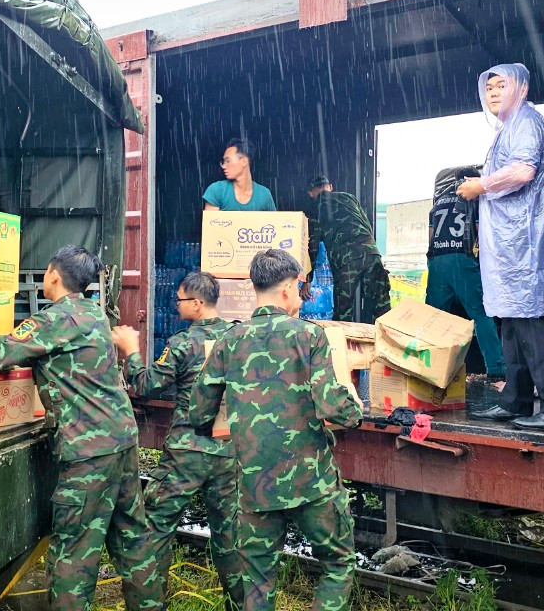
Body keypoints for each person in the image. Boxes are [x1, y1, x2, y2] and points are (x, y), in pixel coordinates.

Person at [0, 244, 161, 611]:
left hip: (88, 451)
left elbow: (2, 351)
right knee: (132, 539)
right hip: (122, 441)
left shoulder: (54, 319)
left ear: (52, 275)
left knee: (74, 552)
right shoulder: (94, 315)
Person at [189, 249, 362, 611]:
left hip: (254, 485)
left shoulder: (229, 341)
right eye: (299, 288)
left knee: (257, 581)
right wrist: (356, 410)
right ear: (287, 289)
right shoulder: (310, 337)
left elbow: (199, 411)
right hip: (311, 482)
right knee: (337, 564)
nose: (301, 295)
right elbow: (334, 407)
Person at [110, 272, 243, 608]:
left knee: (154, 528)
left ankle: (149, 605)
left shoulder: (183, 343)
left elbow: (144, 386)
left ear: (197, 304)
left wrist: (130, 351)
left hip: (186, 454)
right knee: (230, 536)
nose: (177, 304)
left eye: (181, 299)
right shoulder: (239, 338)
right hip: (229, 452)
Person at [459, 63, 544, 431]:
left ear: (520, 88)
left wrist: (481, 186)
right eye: (488, 87)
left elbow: (523, 171)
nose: (492, 93)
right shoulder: (509, 127)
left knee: (535, 325)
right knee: (511, 324)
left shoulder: (527, 123)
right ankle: (517, 401)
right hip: (515, 249)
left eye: (500, 85)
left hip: (530, 246)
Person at [425, 165, 506, 378]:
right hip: (461, 259)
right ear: (471, 180)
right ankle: (496, 370)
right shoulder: (473, 198)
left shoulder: (439, 201)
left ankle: (428, 367)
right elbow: (481, 231)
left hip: (437, 260)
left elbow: (431, 236)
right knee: (480, 314)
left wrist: (433, 261)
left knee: (432, 317)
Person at [303, 174, 392, 323]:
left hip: (347, 259)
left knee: (343, 312)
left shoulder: (317, 207)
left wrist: (307, 279)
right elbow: (366, 224)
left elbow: (313, 246)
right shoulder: (349, 197)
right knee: (381, 307)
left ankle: (342, 344)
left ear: (311, 193)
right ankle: (387, 342)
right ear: (330, 187)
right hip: (371, 252)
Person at [203, 139, 277, 212]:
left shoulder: (264, 194)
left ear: (244, 161)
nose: (223, 166)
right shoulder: (217, 190)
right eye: (223, 162)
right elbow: (210, 223)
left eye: (228, 161)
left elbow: (275, 222)